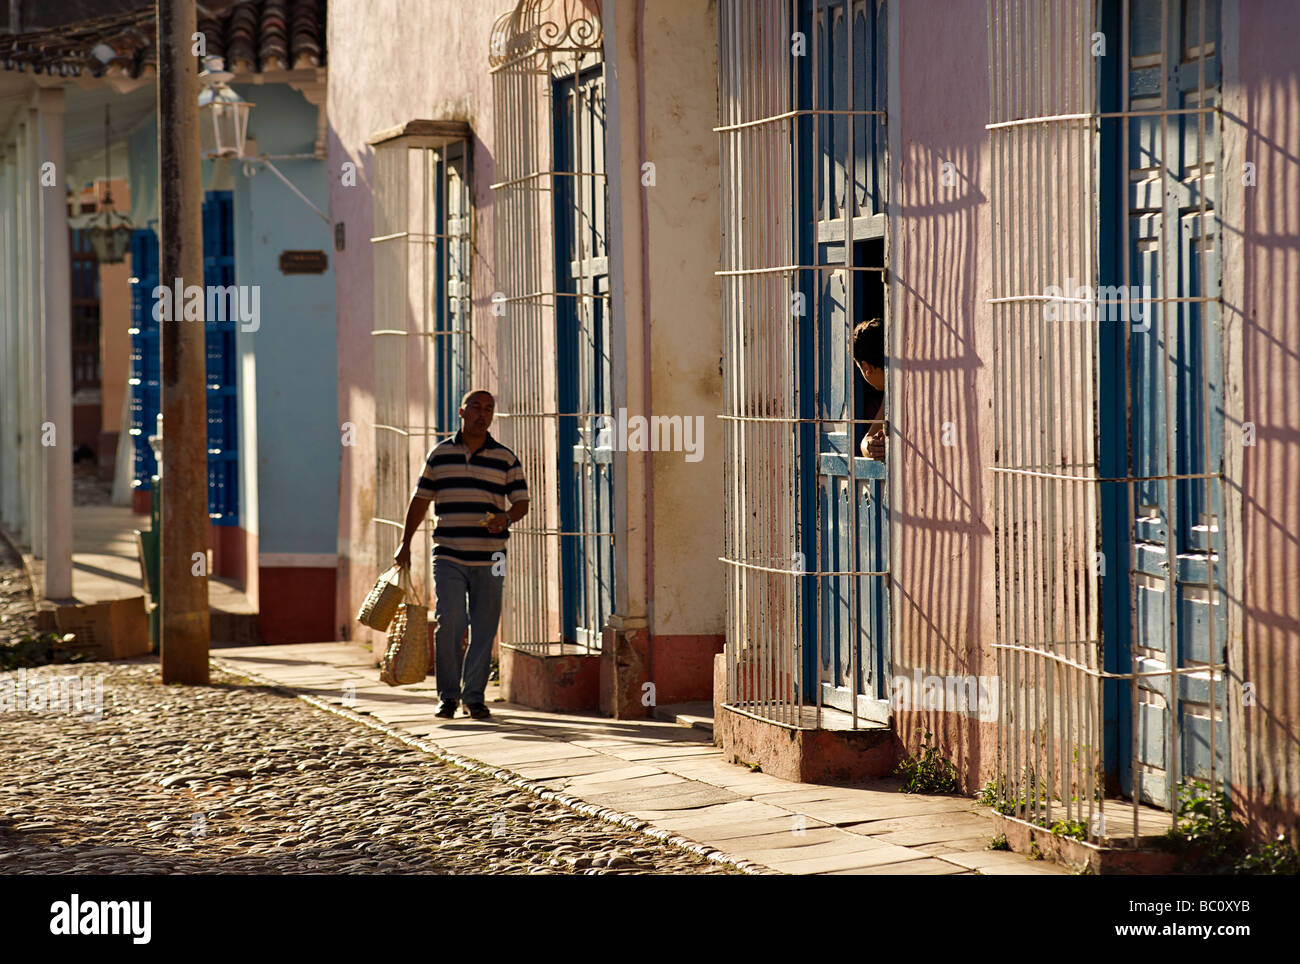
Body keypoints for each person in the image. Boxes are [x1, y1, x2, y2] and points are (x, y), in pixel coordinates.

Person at [393, 390, 529, 720]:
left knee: (484, 626)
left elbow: (522, 503)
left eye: (489, 409)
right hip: (449, 553)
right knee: (450, 621)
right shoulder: (440, 455)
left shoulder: (506, 458)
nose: (482, 414)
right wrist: (405, 543)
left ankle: (475, 696)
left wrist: (505, 518)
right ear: (461, 411)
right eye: (476, 407)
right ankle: (448, 697)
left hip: (492, 557)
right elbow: (420, 500)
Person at [853, 317, 887, 461]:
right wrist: (869, 447)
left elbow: (868, 438)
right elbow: (868, 439)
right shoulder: (890, 395)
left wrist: (868, 446)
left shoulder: (893, 393)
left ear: (866, 368)